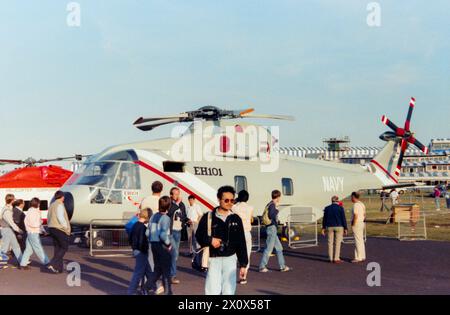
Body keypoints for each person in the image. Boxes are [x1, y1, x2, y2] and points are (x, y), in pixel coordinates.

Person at [196, 186, 248, 295]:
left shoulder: (235, 218)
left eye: (232, 200)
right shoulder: (208, 217)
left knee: (229, 291)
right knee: (212, 290)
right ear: (219, 199)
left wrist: (243, 264)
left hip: (230, 258)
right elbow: (199, 236)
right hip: (214, 258)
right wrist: (210, 240)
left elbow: (241, 242)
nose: (229, 203)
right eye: (226, 200)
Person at [259, 190, 290, 273]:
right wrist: (277, 209)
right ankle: (262, 266)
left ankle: (282, 266)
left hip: (271, 228)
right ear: (278, 197)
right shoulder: (273, 205)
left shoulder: (269, 204)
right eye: (279, 196)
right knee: (269, 248)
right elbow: (271, 215)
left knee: (279, 248)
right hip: (272, 228)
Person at [149, 196, 173, 295]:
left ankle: (146, 287)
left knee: (157, 270)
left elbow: (148, 232)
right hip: (162, 245)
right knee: (166, 271)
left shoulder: (153, 216)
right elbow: (163, 234)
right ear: (169, 207)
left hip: (153, 244)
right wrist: (169, 243)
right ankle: (168, 293)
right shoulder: (166, 218)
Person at [167, 187, 190, 284]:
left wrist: (187, 220)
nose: (177, 196)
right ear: (171, 195)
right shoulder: (169, 204)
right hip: (171, 232)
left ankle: (168, 273)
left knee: (174, 256)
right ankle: (172, 276)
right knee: (174, 253)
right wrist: (176, 204)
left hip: (179, 231)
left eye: (178, 194)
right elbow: (169, 214)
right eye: (175, 194)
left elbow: (183, 216)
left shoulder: (182, 205)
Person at [19, 198, 49, 270]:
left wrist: (43, 230)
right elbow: (33, 223)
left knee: (29, 250)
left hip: (31, 232)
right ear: (36, 203)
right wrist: (40, 223)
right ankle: (47, 262)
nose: (39, 204)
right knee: (38, 248)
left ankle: (23, 264)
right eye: (39, 203)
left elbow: (34, 222)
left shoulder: (31, 211)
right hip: (33, 232)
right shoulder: (33, 212)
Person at [128, 209, 153, 295]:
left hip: (136, 250)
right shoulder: (143, 227)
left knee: (147, 270)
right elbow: (142, 241)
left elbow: (130, 238)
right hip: (141, 251)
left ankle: (152, 287)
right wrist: (145, 249)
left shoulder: (135, 225)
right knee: (139, 272)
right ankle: (131, 291)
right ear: (147, 217)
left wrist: (134, 247)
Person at [232, 190, 254, 284]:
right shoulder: (251, 208)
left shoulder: (235, 207)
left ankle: (231, 275)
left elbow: (231, 204)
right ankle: (243, 277)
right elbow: (251, 219)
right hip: (247, 232)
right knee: (247, 254)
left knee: (234, 255)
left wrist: (236, 200)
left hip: (237, 233)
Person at [47, 191, 71, 274]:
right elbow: (61, 217)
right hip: (59, 228)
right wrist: (66, 227)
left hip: (51, 228)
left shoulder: (52, 205)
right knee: (64, 247)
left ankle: (58, 268)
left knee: (57, 248)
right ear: (62, 197)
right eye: (63, 197)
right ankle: (53, 263)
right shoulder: (60, 205)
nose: (64, 198)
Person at [321, 196, 348, 264]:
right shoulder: (340, 208)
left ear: (331, 201)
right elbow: (343, 218)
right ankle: (336, 258)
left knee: (330, 243)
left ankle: (330, 258)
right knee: (337, 243)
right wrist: (345, 228)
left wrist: (323, 228)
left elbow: (324, 219)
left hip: (329, 226)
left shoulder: (327, 208)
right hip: (339, 226)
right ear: (337, 201)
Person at [0, 194, 23, 265]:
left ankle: (22, 261)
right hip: (7, 230)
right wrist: (19, 230)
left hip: (7, 230)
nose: (15, 200)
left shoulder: (7, 208)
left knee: (15, 246)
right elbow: (11, 223)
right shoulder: (7, 210)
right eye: (14, 199)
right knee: (4, 248)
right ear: (12, 200)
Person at [351, 192, 366, 263]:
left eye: (351, 197)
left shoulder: (356, 205)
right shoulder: (362, 204)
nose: (351, 198)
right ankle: (362, 256)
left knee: (357, 240)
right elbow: (364, 214)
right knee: (361, 240)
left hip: (357, 223)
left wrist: (353, 224)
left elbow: (355, 215)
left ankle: (358, 257)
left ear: (354, 197)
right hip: (362, 222)